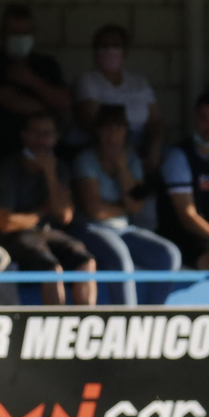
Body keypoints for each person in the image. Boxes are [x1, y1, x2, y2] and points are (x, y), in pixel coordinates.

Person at [72, 104, 181, 306]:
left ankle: (152, 317)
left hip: (123, 228)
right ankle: (128, 322)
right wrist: (125, 207)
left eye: (118, 128)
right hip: (89, 229)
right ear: (97, 130)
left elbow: (135, 204)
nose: (112, 134)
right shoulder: (85, 159)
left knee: (169, 255)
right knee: (121, 259)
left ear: (126, 132)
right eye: (107, 128)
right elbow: (95, 210)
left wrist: (121, 166)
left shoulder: (130, 160)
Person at [0, 110, 97, 306]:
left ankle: (86, 322)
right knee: (52, 268)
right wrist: (41, 212)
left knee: (86, 261)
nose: (41, 140)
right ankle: (56, 327)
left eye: (47, 134)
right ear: (24, 135)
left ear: (55, 138)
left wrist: (49, 172)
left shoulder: (58, 168)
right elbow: (5, 224)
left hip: (50, 233)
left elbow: (65, 215)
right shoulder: (8, 169)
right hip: (17, 237)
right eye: (36, 133)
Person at [159, 91, 209, 292]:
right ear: (195, 119)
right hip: (184, 237)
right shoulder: (178, 156)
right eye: (203, 118)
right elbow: (187, 215)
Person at [0, 5, 69, 165]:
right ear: (2, 34)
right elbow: (11, 101)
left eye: (24, 33)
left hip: (47, 147)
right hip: (3, 149)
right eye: (14, 33)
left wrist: (31, 80)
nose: (19, 38)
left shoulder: (47, 64)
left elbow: (64, 101)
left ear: (33, 34)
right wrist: (50, 108)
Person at [73, 24, 163, 170]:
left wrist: (155, 147)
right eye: (104, 45)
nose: (110, 50)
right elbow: (91, 119)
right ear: (95, 51)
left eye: (115, 45)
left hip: (143, 141)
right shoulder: (87, 80)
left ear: (125, 51)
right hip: (106, 143)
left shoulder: (140, 82)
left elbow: (156, 120)